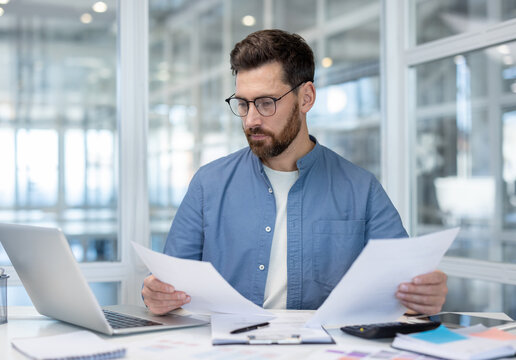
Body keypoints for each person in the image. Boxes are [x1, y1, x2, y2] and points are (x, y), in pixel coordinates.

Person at [142, 29, 448, 316]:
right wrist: (156, 295)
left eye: (265, 103)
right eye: (243, 104)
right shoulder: (208, 184)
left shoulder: (361, 189)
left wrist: (422, 295)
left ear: (306, 98)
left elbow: (401, 289)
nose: (250, 120)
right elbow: (170, 283)